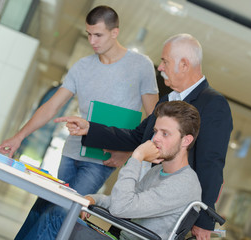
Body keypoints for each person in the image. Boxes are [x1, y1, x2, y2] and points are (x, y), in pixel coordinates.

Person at [0, 5, 159, 239]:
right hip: (71, 153)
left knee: (60, 213)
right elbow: (51, 106)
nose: (92, 41)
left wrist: (127, 152)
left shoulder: (141, 66)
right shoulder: (82, 66)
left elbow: (153, 117)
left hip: (102, 159)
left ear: (115, 32)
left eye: (98, 35)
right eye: (89, 34)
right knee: (43, 207)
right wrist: (18, 137)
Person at [56, 33, 233, 240]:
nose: (160, 68)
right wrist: (91, 128)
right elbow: (137, 136)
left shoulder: (213, 104)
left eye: (165, 61)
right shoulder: (167, 100)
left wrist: (203, 221)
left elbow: (211, 164)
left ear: (184, 64)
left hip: (167, 206)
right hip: (141, 195)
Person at [24, 101, 202, 240]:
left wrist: (136, 157)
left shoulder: (183, 184)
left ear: (186, 141)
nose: (155, 139)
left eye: (165, 134)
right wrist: (94, 199)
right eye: (155, 131)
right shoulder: (158, 172)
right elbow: (124, 200)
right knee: (54, 213)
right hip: (118, 235)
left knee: (57, 218)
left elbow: (121, 207)